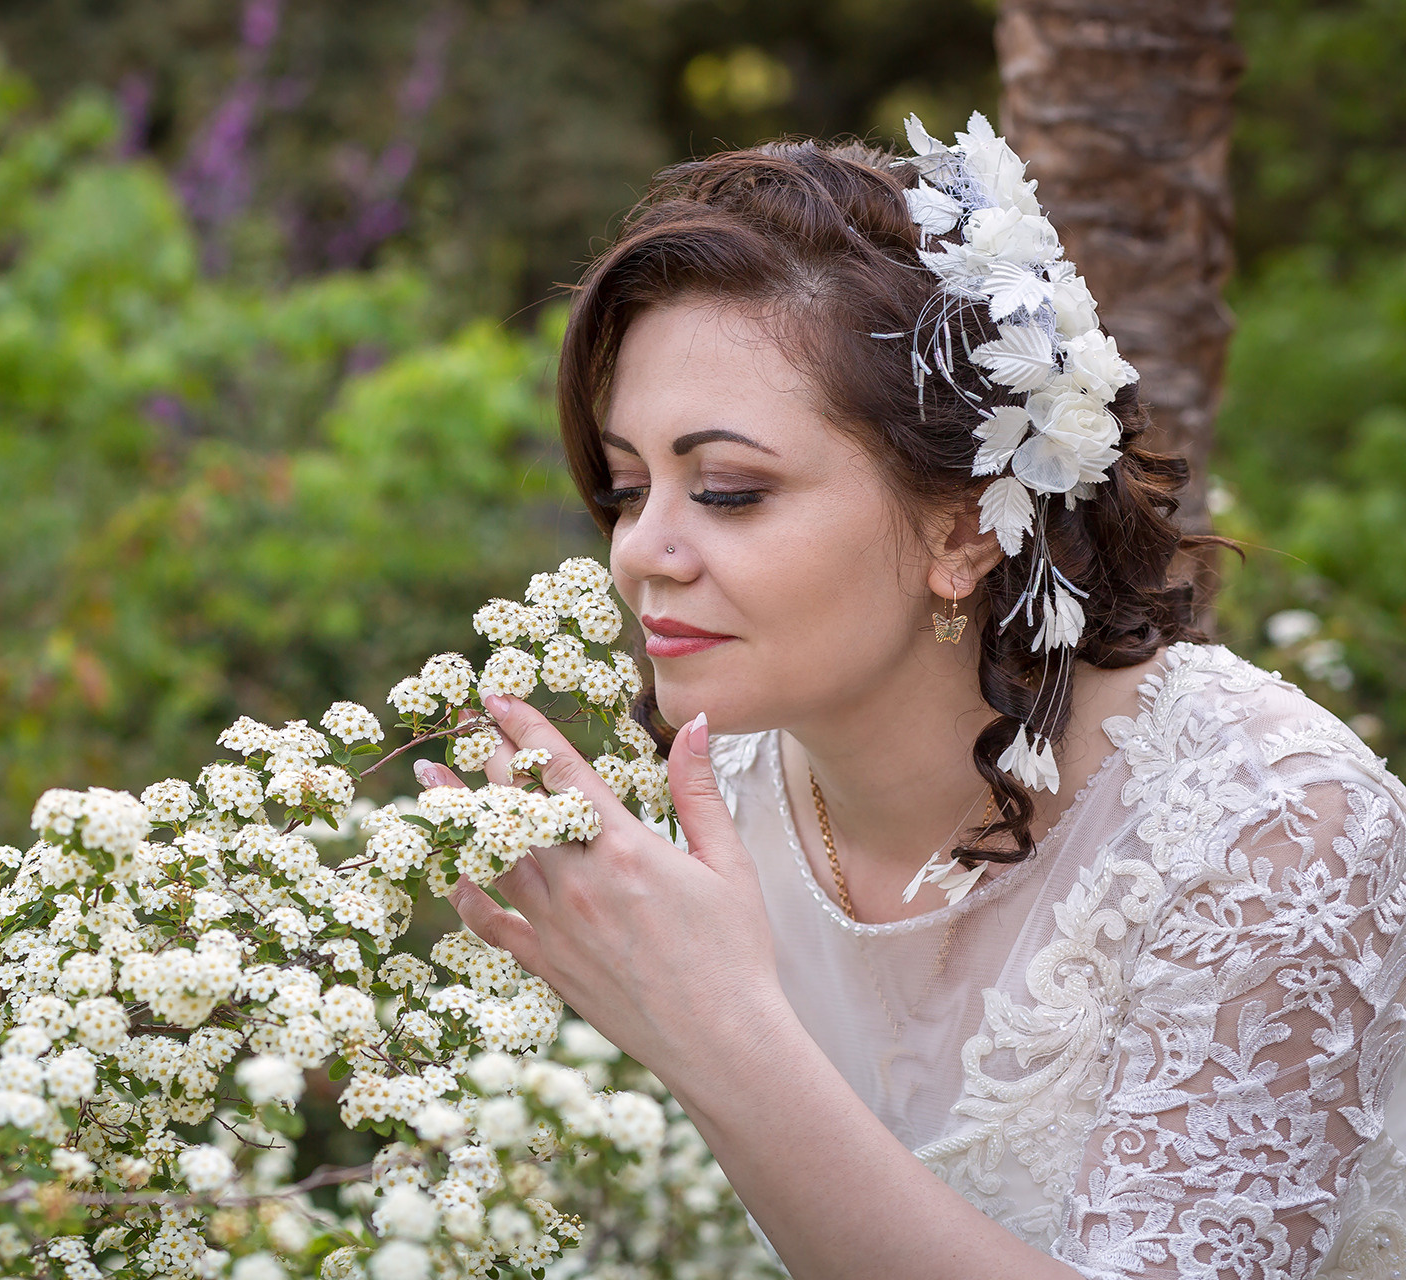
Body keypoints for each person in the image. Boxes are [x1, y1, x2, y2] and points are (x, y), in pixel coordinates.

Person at [421, 118, 1406, 1280]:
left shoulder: (1268, 823)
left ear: (959, 527)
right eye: (630, 485)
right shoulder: (709, 788)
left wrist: (715, 1031)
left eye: (729, 489)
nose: (644, 548)